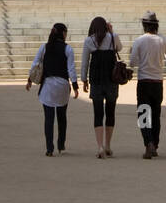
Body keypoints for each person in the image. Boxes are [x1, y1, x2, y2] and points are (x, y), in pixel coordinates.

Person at [27, 23, 78, 156]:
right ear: (63, 33)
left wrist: (29, 80)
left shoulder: (44, 47)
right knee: (62, 117)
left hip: (48, 85)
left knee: (48, 118)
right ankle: (61, 145)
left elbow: (35, 64)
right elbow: (71, 69)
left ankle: (49, 148)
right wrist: (75, 86)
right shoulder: (68, 49)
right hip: (62, 85)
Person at [129, 10, 166, 160]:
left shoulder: (139, 41)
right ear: (156, 25)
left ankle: (148, 143)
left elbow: (132, 63)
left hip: (144, 81)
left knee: (143, 113)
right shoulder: (164, 40)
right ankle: (155, 143)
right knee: (156, 115)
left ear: (144, 25)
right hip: (158, 81)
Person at [81, 16, 122, 158]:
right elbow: (120, 48)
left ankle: (99, 147)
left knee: (98, 113)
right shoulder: (113, 37)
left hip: (96, 79)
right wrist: (111, 31)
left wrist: (84, 79)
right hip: (111, 80)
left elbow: (85, 62)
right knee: (110, 113)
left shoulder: (89, 40)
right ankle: (108, 145)